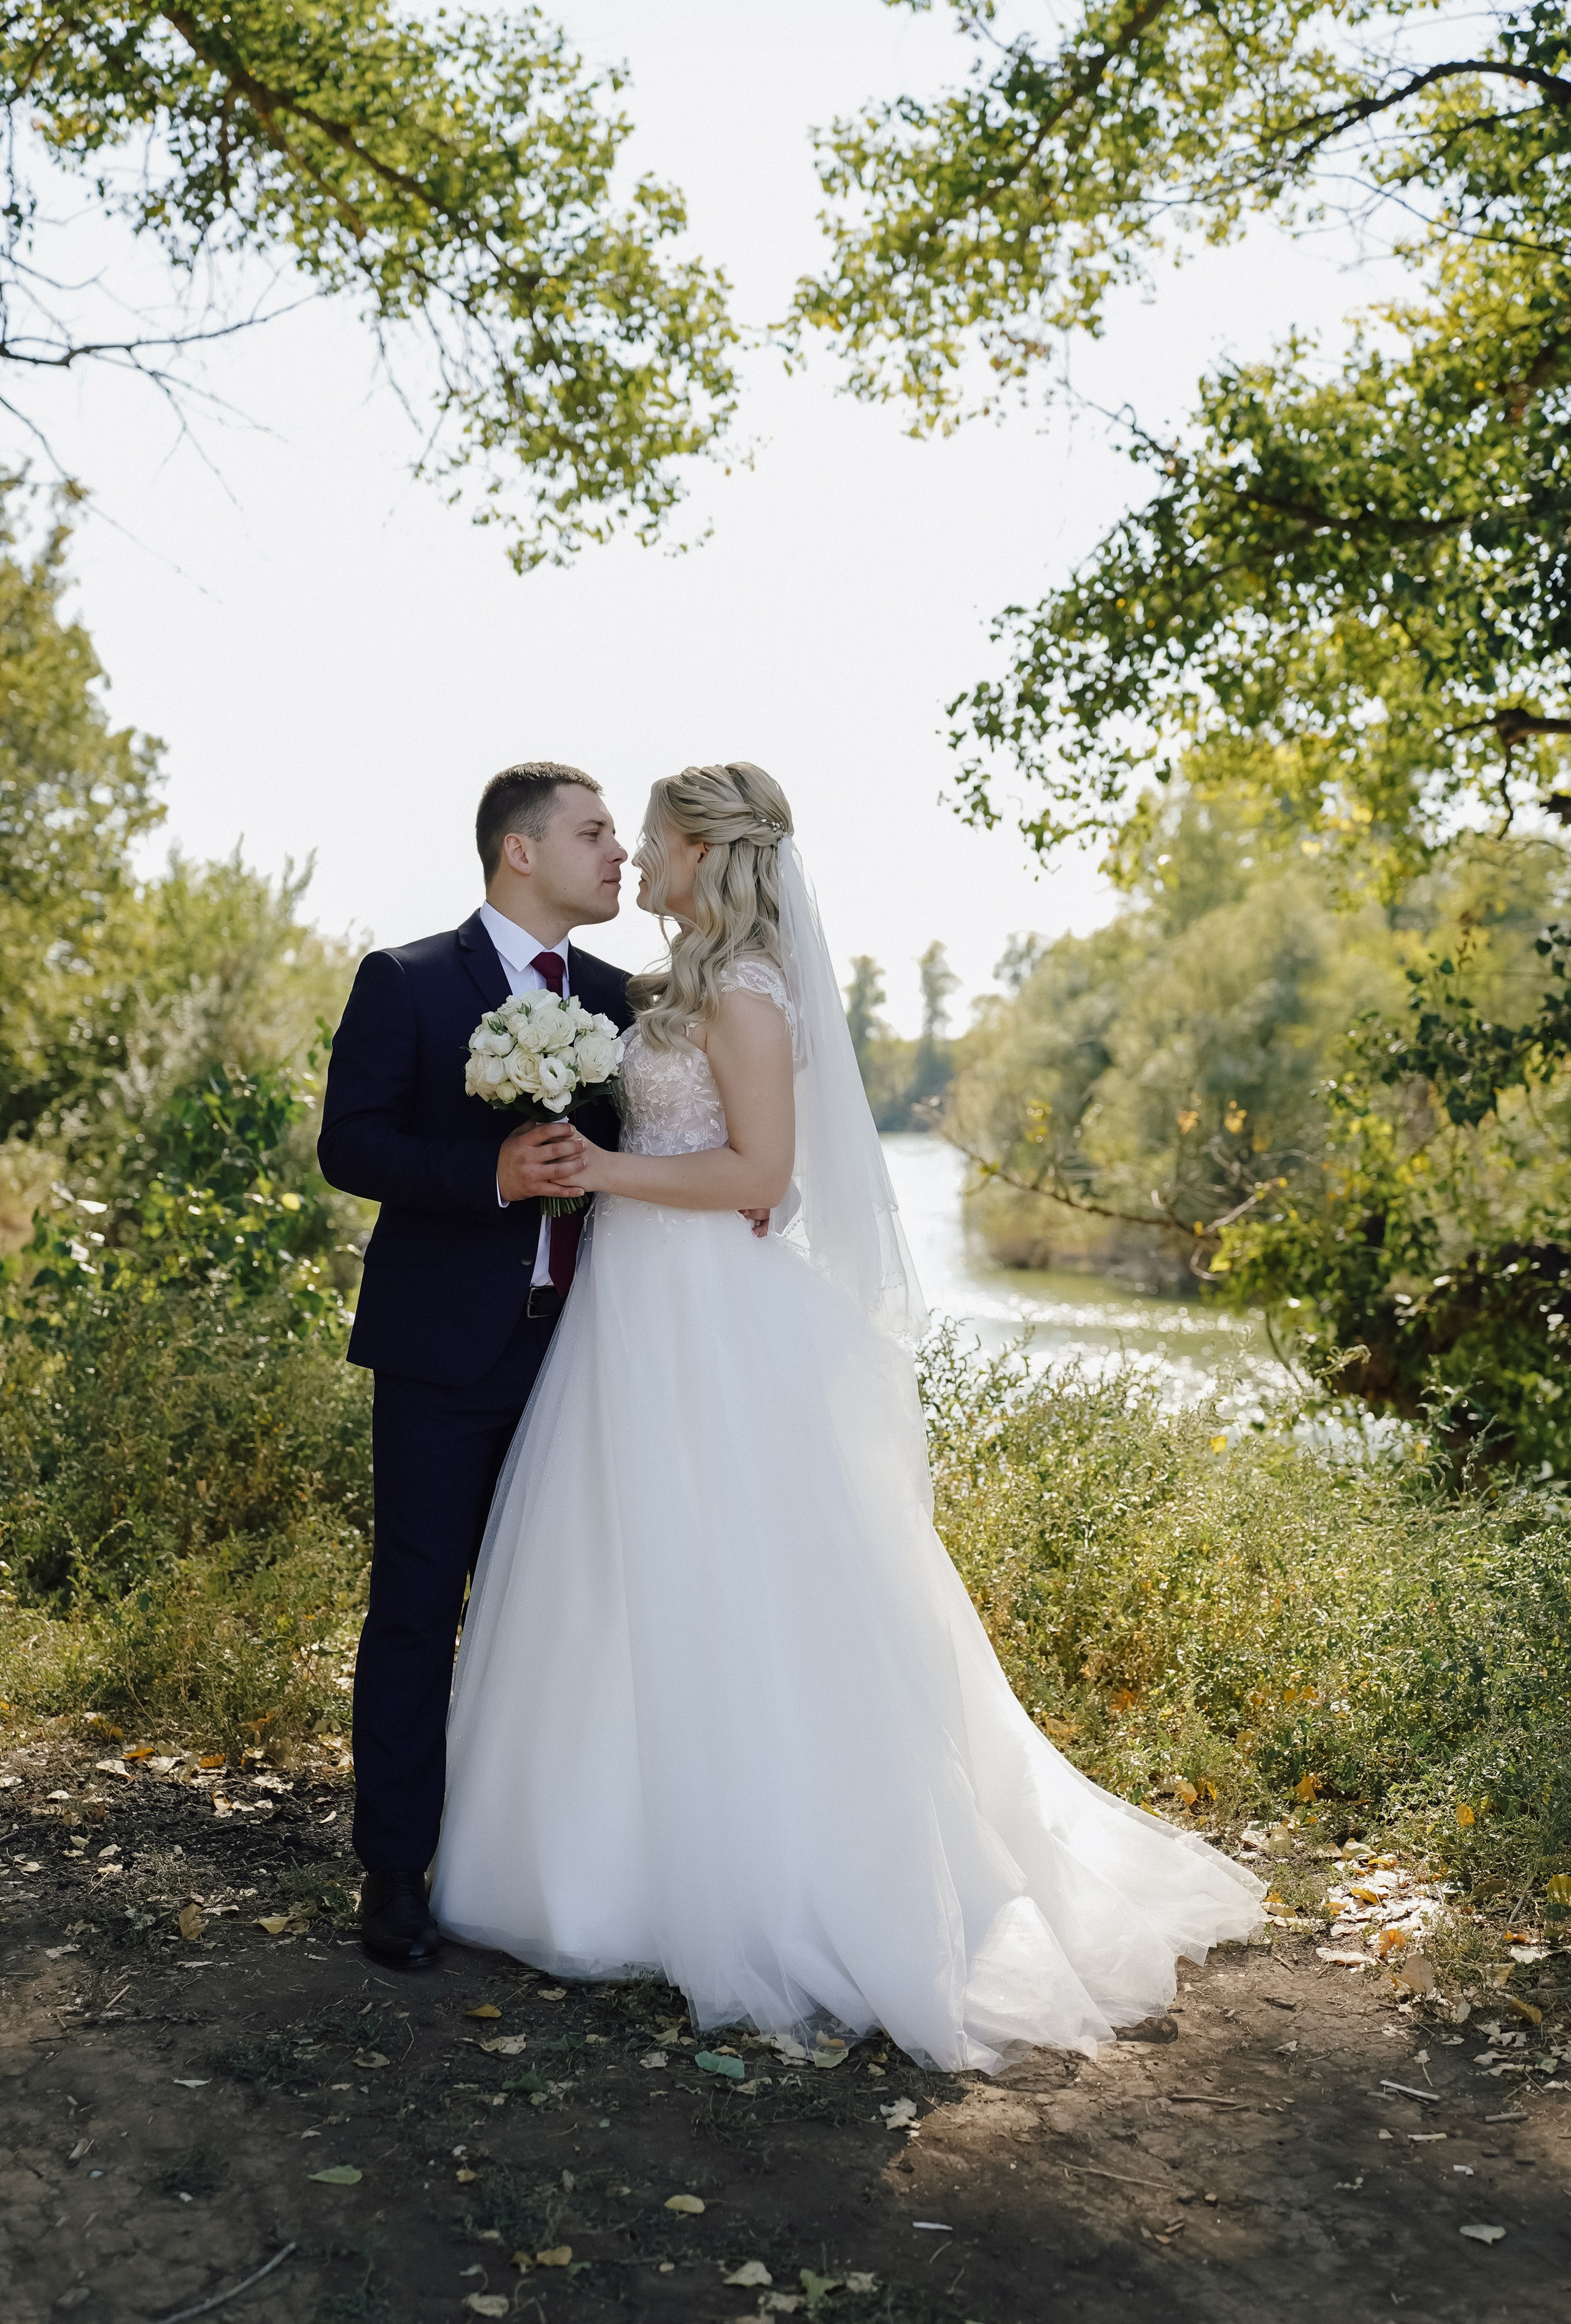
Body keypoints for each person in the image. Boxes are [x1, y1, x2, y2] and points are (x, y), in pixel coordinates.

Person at [431, 761, 1263, 2069]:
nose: (635, 858)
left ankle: (755, 1876)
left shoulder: (751, 994)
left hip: (706, 1313)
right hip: (632, 1310)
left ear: (706, 849)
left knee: (738, 1581)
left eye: (647, 838)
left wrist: (602, 1168)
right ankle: (594, 1860)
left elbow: (760, 1170)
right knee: (619, 1570)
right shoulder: (671, 988)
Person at [317, 761, 632, 1965]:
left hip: (586, 1357)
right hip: (442, 1357)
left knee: (562, 1614)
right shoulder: (402, 982)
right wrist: (488, 1175)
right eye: (593, 832)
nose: (618, 855)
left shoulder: (617, 996)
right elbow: (351, 1144)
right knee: (414, 1613)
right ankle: (394, 1873)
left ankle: (542, 1860)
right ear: (519, 851)